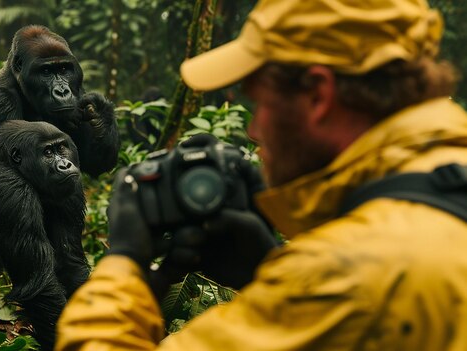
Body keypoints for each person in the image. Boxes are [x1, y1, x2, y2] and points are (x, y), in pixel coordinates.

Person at [56, 0, 467, 349]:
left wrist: (124, 264)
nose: (254, 130)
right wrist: (271, 270)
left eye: (258, 103)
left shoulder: (349, 274)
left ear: (318, 95)